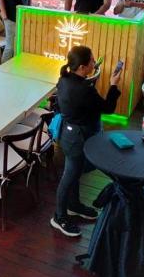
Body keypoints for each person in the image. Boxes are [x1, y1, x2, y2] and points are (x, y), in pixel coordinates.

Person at [51, 45, 122, 238]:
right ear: (82, 67)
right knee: (69, 176)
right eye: (91, 61)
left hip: (68, 134)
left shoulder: (64, 79)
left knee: (74, 172)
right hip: (77, 139)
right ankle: (59, 217)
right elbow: (108, 108)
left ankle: (73, 205)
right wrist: (113, 85)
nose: (94, 63)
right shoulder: (84, 90)